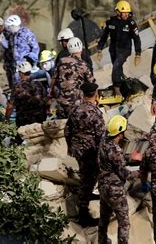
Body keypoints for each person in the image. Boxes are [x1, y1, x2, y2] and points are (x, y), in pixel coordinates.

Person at [64, 82, 105, 227]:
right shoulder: (96, 112)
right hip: (90, 151)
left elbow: (67, 130)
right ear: (95, 94)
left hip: (78, 149)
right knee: (89, 178)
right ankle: (83, 214)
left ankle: (86, 195)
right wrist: (102, 155)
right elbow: (101, 136)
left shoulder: (75, 110)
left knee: (85, 174)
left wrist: (70, 146)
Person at [98, 115, 142, 244]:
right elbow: (126, 175)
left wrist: (130, 157)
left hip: (102, 187)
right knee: (124, 222)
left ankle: (102, 241)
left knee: (104, 218)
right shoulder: (116, 149)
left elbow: (113, 158)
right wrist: (142, 172)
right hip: (114, 190)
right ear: (121, 133)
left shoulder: (103, 142)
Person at [97, 0, 142, 96]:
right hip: (113, 49)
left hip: (125, 49)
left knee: (116, 65)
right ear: (118, 12)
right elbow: (104, 36)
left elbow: (136, 38)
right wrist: (99, 49)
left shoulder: (131, 23)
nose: (126, 14)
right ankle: (124, 85)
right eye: (124, 12)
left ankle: (116, 88)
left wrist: (138, 54)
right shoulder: (110, 22)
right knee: (118, 68)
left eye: (127, 12)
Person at [51, 37, 95, 118]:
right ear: (81, 49)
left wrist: (51, 94)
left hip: (61, 104)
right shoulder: (83, 65)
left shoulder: (61, 61)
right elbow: (92, 84)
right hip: (77, 105)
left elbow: (53, 80)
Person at [5, 61, 49, 127]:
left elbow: (10, 106)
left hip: (23, 121)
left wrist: (6, 119)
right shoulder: (39, 84)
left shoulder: (17, 87)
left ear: (20, 73)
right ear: (30, 72)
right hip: (40, 119)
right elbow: (47, 101)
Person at [5, 15, 40, 81]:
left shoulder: (27, 33)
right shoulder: (12, 35)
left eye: (9, 27)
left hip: (26, 67)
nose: (8, 29)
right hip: (17, 67)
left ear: (13, 25)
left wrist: (30, 62)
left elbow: (35, 48)